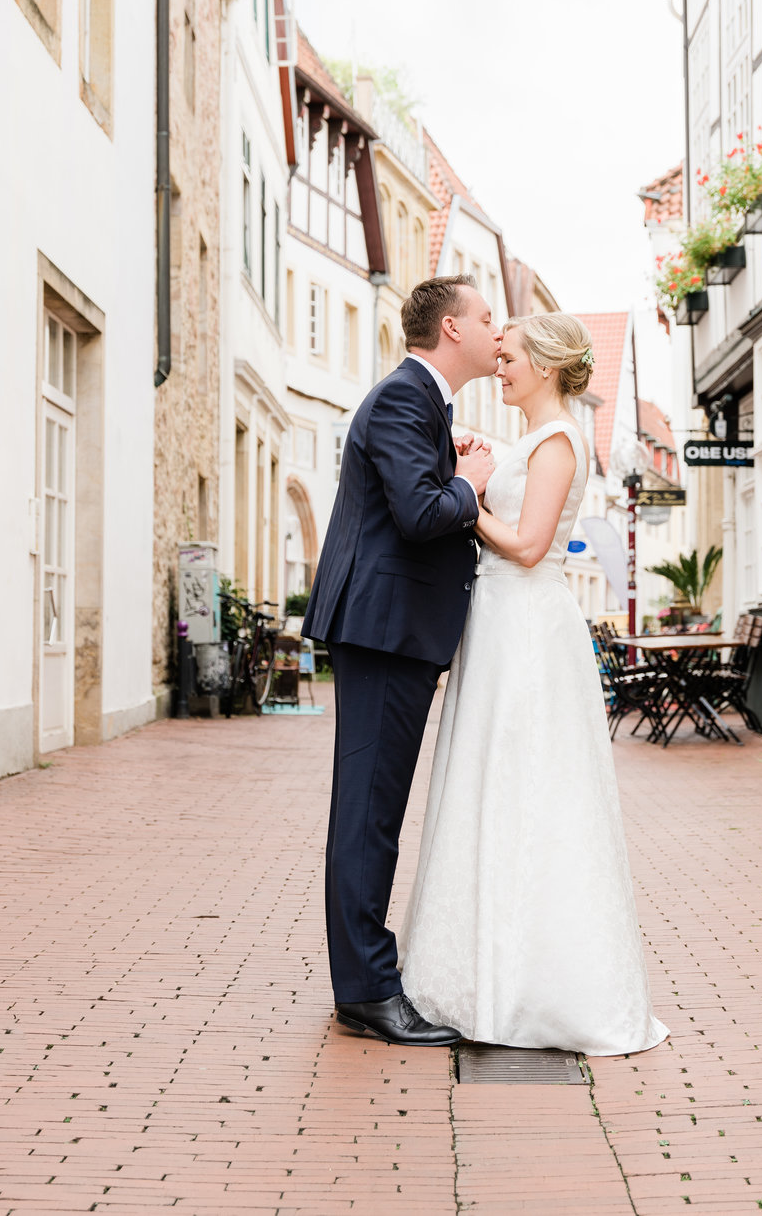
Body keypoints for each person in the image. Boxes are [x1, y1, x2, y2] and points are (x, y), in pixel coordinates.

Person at [399, 312, 669, 1056]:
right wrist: (485, 465)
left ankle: (531, 982)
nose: (501, 363)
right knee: (490, 781)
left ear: (546, 366)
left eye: (511, 356)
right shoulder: (535, 440)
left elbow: (527, 546)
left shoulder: (557, 442)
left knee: (525, 783)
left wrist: (467, 495)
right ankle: (480, 970)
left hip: (525, 627)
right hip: (501, 625)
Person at [302, 274, 501, 1047]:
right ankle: (367, 991)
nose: (498, 330)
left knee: (375, 813)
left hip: (395, 632)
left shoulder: (422, 409)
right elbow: (420, 514)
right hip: (383, 631)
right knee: (368, 816)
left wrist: (446, 458)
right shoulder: (400, 399)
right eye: (487, 318)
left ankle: (366, 980)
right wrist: (469, 482)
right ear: (451, 329)